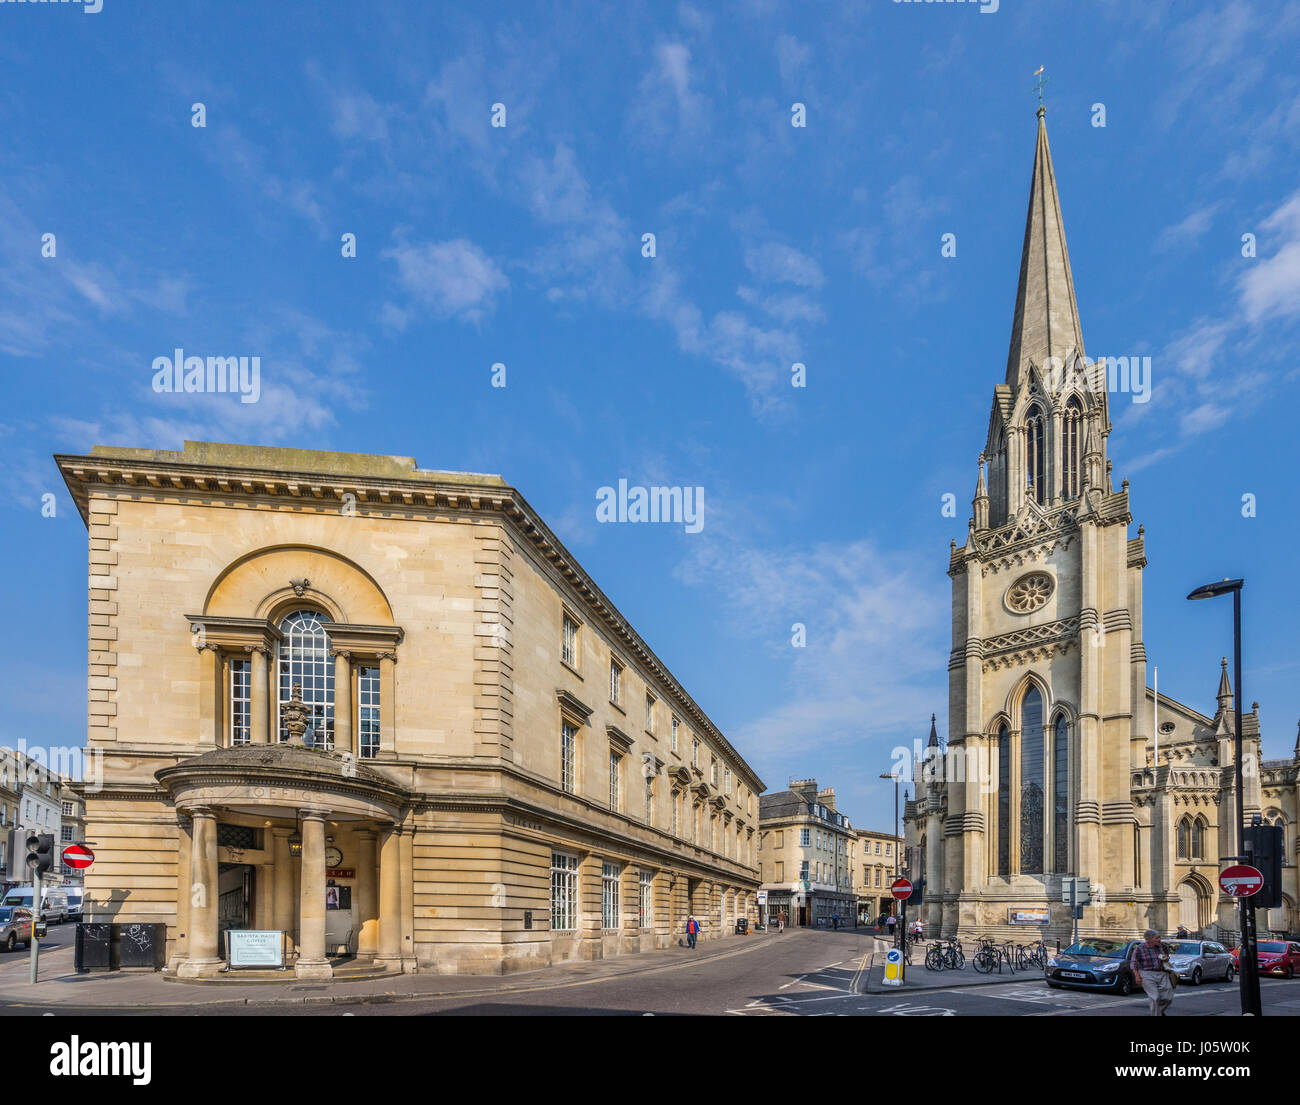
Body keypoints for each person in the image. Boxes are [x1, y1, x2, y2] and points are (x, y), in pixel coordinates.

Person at [1131, 928, 1175, 1016]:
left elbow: (1167, 957)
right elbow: (1133, 963)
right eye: (1157, 938)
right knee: (1155, 997)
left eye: (1160, 937)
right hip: (1146, 974)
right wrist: (1137, 976)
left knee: (1168, 998)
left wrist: (1166, 958)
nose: (1160, 940)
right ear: (1148, 939)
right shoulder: (1139, 948)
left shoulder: (1162, 946)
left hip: (1162, 973)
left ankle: (1159, 1012)